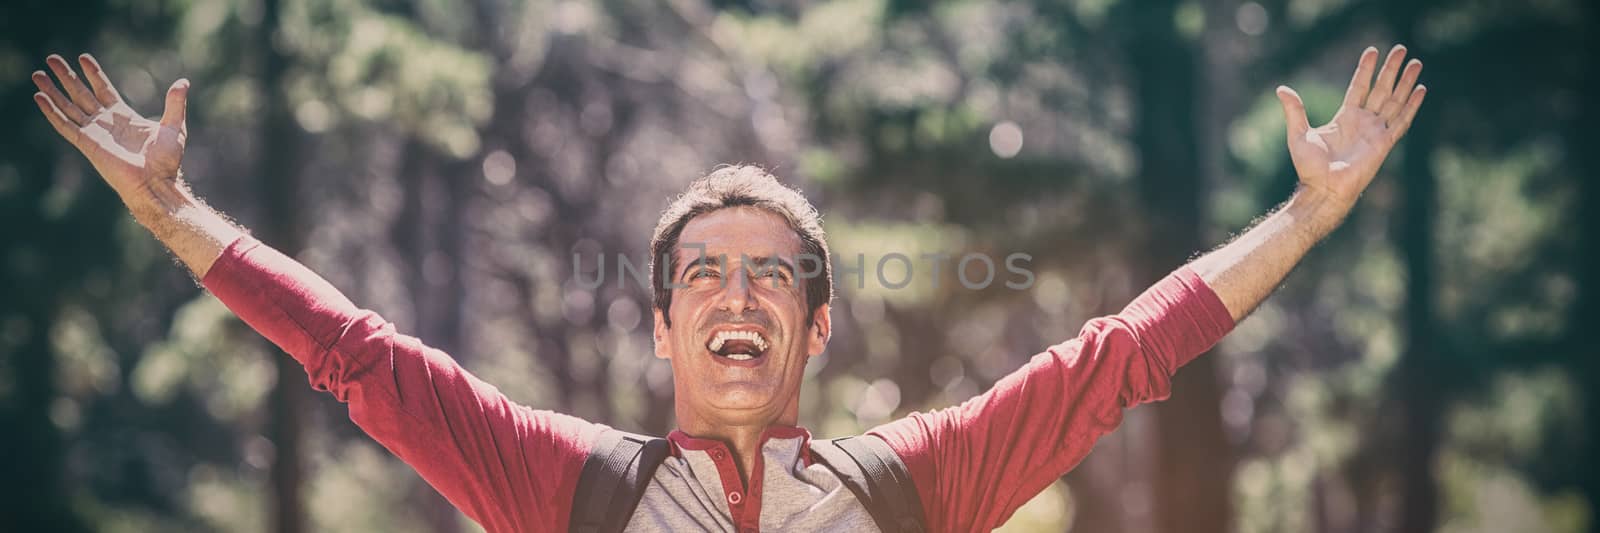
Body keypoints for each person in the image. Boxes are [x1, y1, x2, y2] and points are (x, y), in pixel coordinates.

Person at [30, 45, 1424, 532]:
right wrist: (174, 209)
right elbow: (361, 355)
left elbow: (1127, 352)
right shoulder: (568, 486)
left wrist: (1303, 219)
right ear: (661, 321)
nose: (735, 294)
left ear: (818, 323)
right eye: (705, 271)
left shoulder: (913, 484)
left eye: (772, 275)